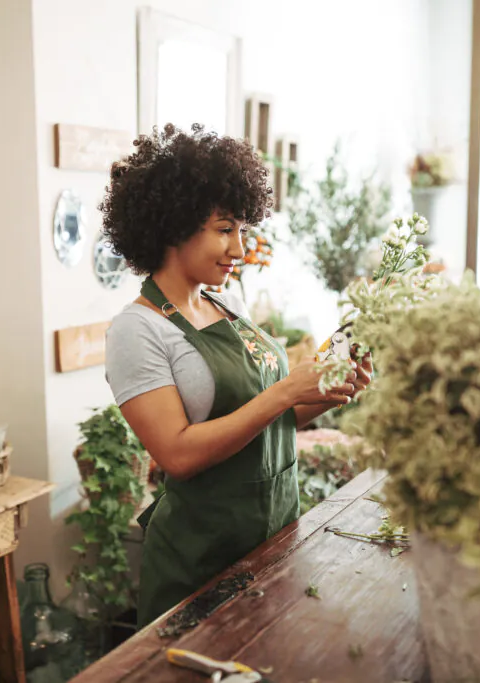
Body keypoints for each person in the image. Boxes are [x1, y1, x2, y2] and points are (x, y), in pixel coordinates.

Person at [101, 124, 373, 628]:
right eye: (225, 229)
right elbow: (178, 454)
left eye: (243, 230)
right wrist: (288, 388)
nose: (240, 249)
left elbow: (271, 415)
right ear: (173, 226)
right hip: (199, 563)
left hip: (274, 539)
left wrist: (328, 390)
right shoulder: (136, 330)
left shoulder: (228, 303)